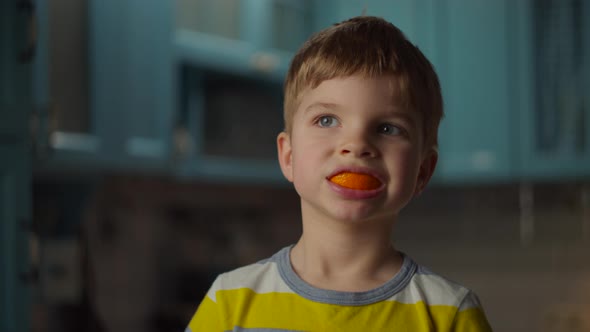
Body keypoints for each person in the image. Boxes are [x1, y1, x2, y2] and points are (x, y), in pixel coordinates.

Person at [185, 16, 492, 331]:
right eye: (327, 120)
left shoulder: (450, 313)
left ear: (422, 172)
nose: (356, 145)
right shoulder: (229, 302)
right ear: (288, 155)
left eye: (388, 128)